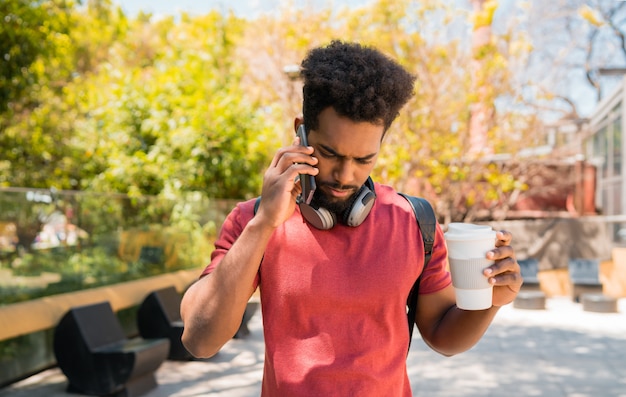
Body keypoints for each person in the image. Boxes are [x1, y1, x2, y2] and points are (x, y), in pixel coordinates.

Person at [180, 40, 523, 396]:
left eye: (364, 160)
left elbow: (444, 338)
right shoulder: (253, 220)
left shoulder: (414, 221)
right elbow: (200, 340)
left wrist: (492, 302)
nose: (345, 176)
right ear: (301, 132)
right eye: (330, 153)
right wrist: (264, 223)